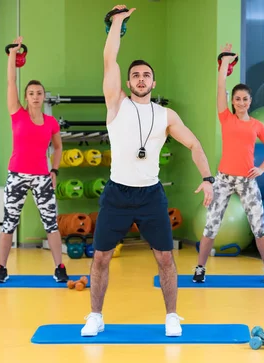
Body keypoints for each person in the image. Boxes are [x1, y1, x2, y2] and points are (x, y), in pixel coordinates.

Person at [80, 5, 214, 338]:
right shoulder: (116, 103)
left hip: (151, 195)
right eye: (135, 75)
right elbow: (109, 60)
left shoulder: (166, 116)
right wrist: (117, 23)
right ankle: (95, 316)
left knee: (166, 259)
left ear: (154, 82)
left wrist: (208, 178)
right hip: (117, 193)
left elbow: (195, 145)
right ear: (128, 81)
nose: (141, 79)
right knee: (100, 258)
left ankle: (172, 316)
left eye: (146, 75)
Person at [192, 43, 264, 284]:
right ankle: (200, 268)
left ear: (250, 101)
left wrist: (261, 168)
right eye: (237, 98)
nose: (240, 102)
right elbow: (221, 89)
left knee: (258, 225)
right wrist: (225, 65)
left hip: (248, 180)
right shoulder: (226, 118)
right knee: (211, 225)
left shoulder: (257, 125)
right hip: (224, 179)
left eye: (245, 99)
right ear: (233, 102)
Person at [0, 36, 68, 284]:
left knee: (51, 224)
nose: (36, 96)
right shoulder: (17, 113)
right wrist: (13, 55)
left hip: (42, 177)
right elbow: (10, 80)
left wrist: (55, 170)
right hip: (16, 175)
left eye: (39, 93)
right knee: (9, 223)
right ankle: (1, 268)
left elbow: (58, 147)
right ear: (26, 96)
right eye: (31, 93)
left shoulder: (50, 122)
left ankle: (59, 267)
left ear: (44, 97)